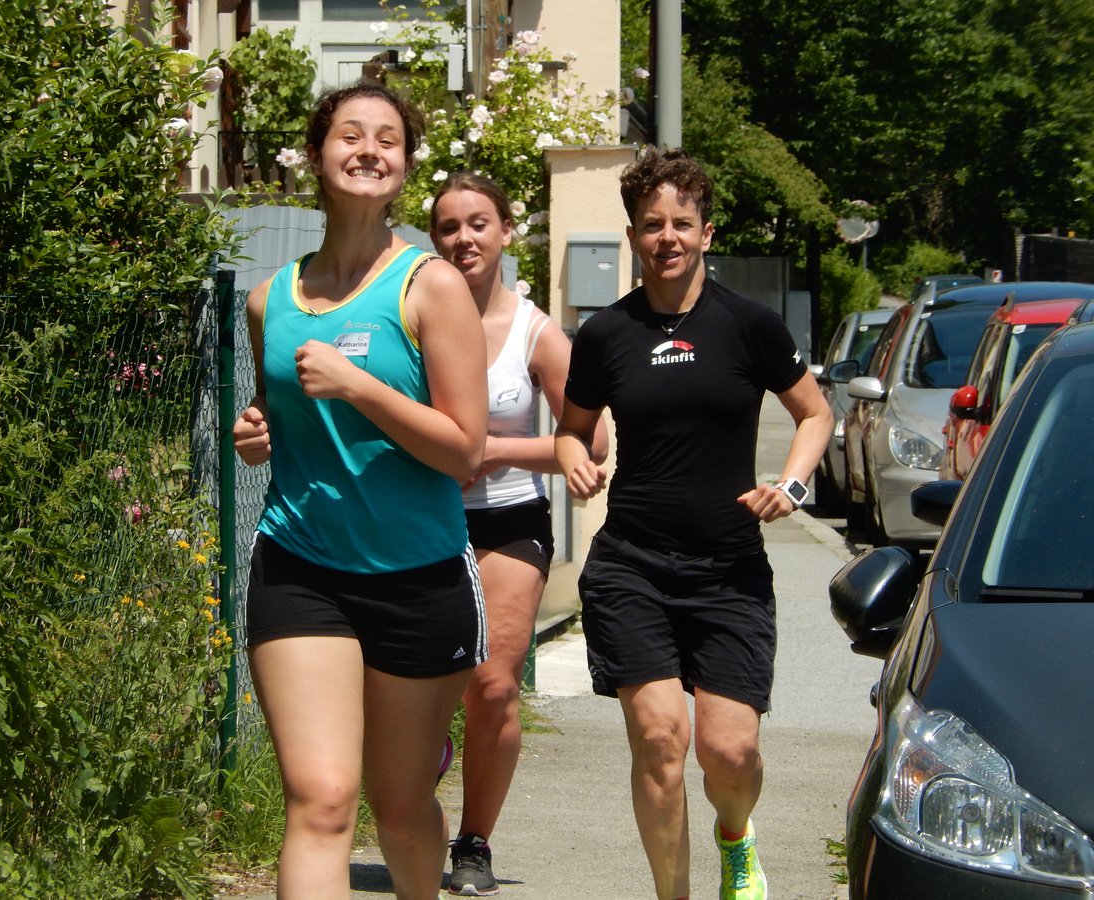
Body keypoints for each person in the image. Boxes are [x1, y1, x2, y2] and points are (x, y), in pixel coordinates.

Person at [232, 82, 489, 900]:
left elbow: (464, 450)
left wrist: (360, 387)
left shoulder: (430, 287)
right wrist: (257, 431)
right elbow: (278, 414)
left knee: (401, 807)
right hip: (300, 566)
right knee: (321, 800)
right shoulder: (269, 300)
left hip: (418, 576)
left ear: (404, 166)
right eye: (350, 134)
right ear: (316, 155)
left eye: (387, 138)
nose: (369, 150)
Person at [553, 148, 832, 900]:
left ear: (706, 233)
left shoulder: (750, 325)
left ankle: (735, 836)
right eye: (652, 225)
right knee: (659, 740)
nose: (667, 237)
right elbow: (572, 429)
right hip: (632, 565)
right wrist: (574, 460)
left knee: (729, 753)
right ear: (633, 236)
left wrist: (792, 485)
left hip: (728, 570)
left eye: (682, 223)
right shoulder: (607, 333)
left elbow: (815, 413)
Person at [428, 173, 608, 896]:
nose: (464, 239)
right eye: (448, 227)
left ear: (506, 231)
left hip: (507, 521)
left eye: (479, 223)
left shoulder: (536, 332)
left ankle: (473, 842)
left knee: (493, 684)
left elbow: (590, 441)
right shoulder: (410, 317)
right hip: (421, 518)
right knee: (418, 685)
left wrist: (496, 449)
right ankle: (424, 766)